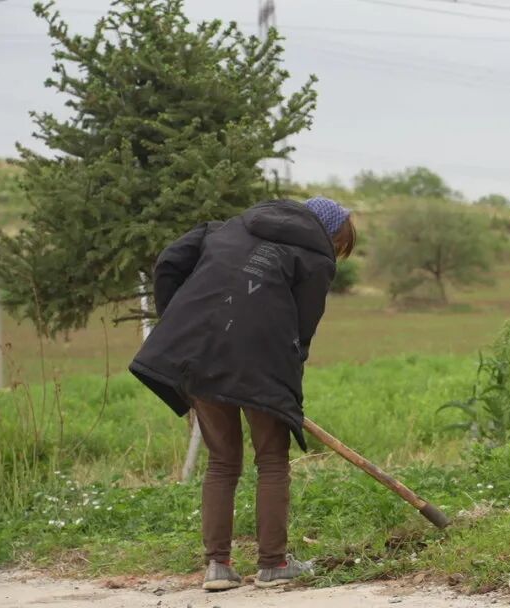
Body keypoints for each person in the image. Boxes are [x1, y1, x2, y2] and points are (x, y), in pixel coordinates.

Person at [130, 196, 356, 591]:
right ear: (331, 232)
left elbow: (169, 261)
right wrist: (286, 375)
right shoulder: (316, 257)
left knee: (221, 461)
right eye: (340, 243)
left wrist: (178, 320)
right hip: (262, 362)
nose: (337, 250)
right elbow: (303, 328)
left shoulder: (225, 228)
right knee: (271, 460)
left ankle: (217, 566)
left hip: (198, 349)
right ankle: (273, 564)